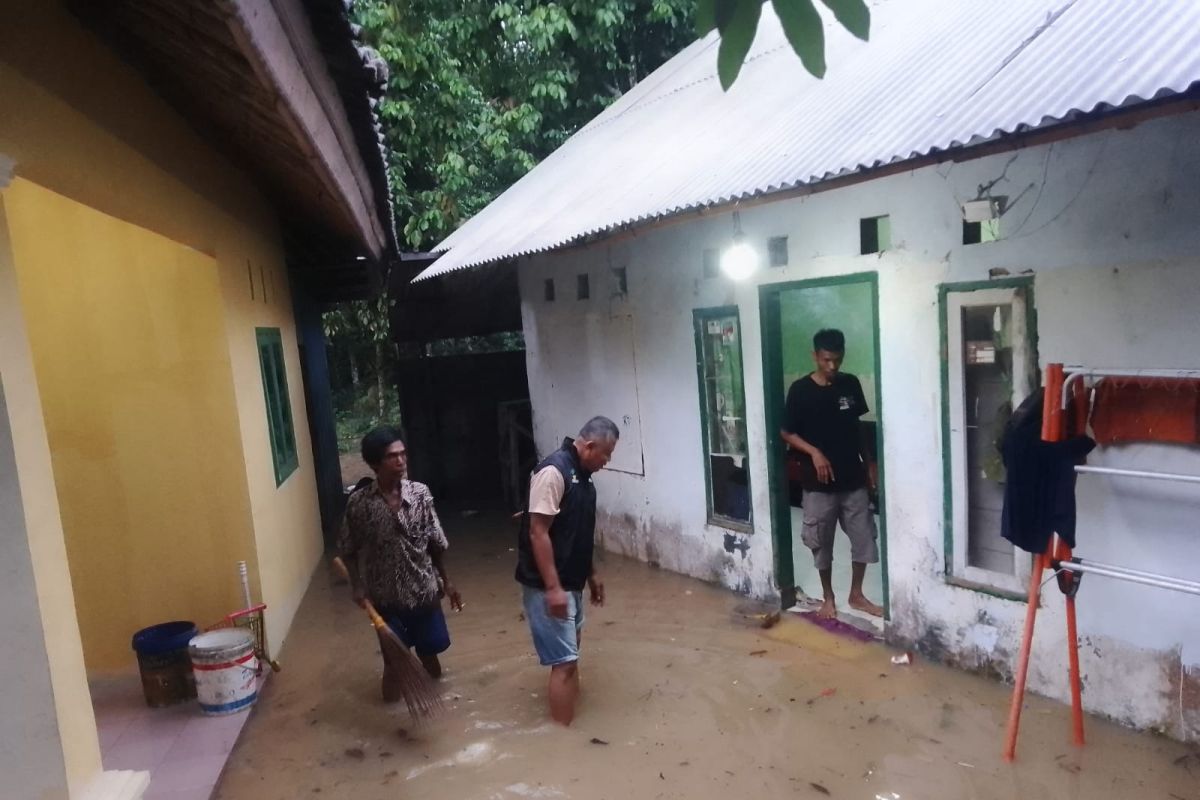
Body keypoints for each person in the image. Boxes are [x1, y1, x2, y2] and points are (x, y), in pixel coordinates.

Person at [338, 427, 463, 698]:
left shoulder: (420, 494)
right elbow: (347, 548)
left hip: (424, 592)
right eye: (392, 456)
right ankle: (390, 719)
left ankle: (437, 706)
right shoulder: (359, 504)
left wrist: (448, 582)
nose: (401, 461)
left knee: (430, 659)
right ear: (374, 464)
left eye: (403, 454)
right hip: (384, 601)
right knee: (393, 666)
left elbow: (436, 543)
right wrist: (357, 585)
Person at [516, 416, 619, 725]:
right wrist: (553, 589)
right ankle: (562, 739)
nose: (607, 461)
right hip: (549, 585)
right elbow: (538, 532)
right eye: (606, 454)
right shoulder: (554, 472)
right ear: (589, 446)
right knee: (564, 664)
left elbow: (576, 532)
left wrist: (591, 575)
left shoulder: (583, 478)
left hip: (570, 582)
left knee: (571, 659)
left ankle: (571, 728)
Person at [779, 329, 883, 619]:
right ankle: (828, 597)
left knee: (864, 538)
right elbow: (786, 432)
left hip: (853, 479)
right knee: (820, 543)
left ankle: (857, 595)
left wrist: (870, 463)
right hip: (818, 484)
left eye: (837, 359)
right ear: (815, 356)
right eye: (826, 360)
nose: (833, 366)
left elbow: (858, 426)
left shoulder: (850, 383)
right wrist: (814, 452)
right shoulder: (800, 391)